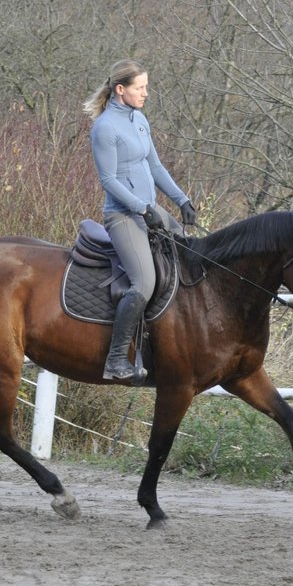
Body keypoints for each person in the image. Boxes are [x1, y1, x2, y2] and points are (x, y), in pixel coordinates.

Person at [83, 59, 198, 382]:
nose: (147, 93)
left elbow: (156, 167)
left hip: (149, 209)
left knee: (190, 254)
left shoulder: (139, 119)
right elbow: (109, 180)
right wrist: (141, 208)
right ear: (121, 90)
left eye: (146, 87)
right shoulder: (105, 128)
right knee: (144, 282)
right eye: (140, 88)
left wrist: (182, 200)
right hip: (122, 216)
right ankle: (116, 358)